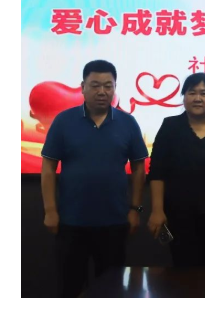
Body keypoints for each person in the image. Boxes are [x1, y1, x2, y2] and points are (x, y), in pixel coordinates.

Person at [41, 60, 148, 297]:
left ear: (114, 88)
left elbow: (139, 167)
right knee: (70, 288)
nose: (102, 91)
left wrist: (135, 209)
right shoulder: (63, 121)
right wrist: (50, 210)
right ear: (83, 87)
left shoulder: (127, 122)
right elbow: (48, 167)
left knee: (111, 290)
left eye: (108, 86)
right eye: (95, 85)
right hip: (71, 222)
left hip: (114, 222)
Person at [147, 73, 205, 267]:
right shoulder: (170, 127)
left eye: (204, 93)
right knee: (183, 270)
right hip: (179, 215)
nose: (198, 98)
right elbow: (157, 171)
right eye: (192, 92)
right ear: (184, 96)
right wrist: (157, 210)